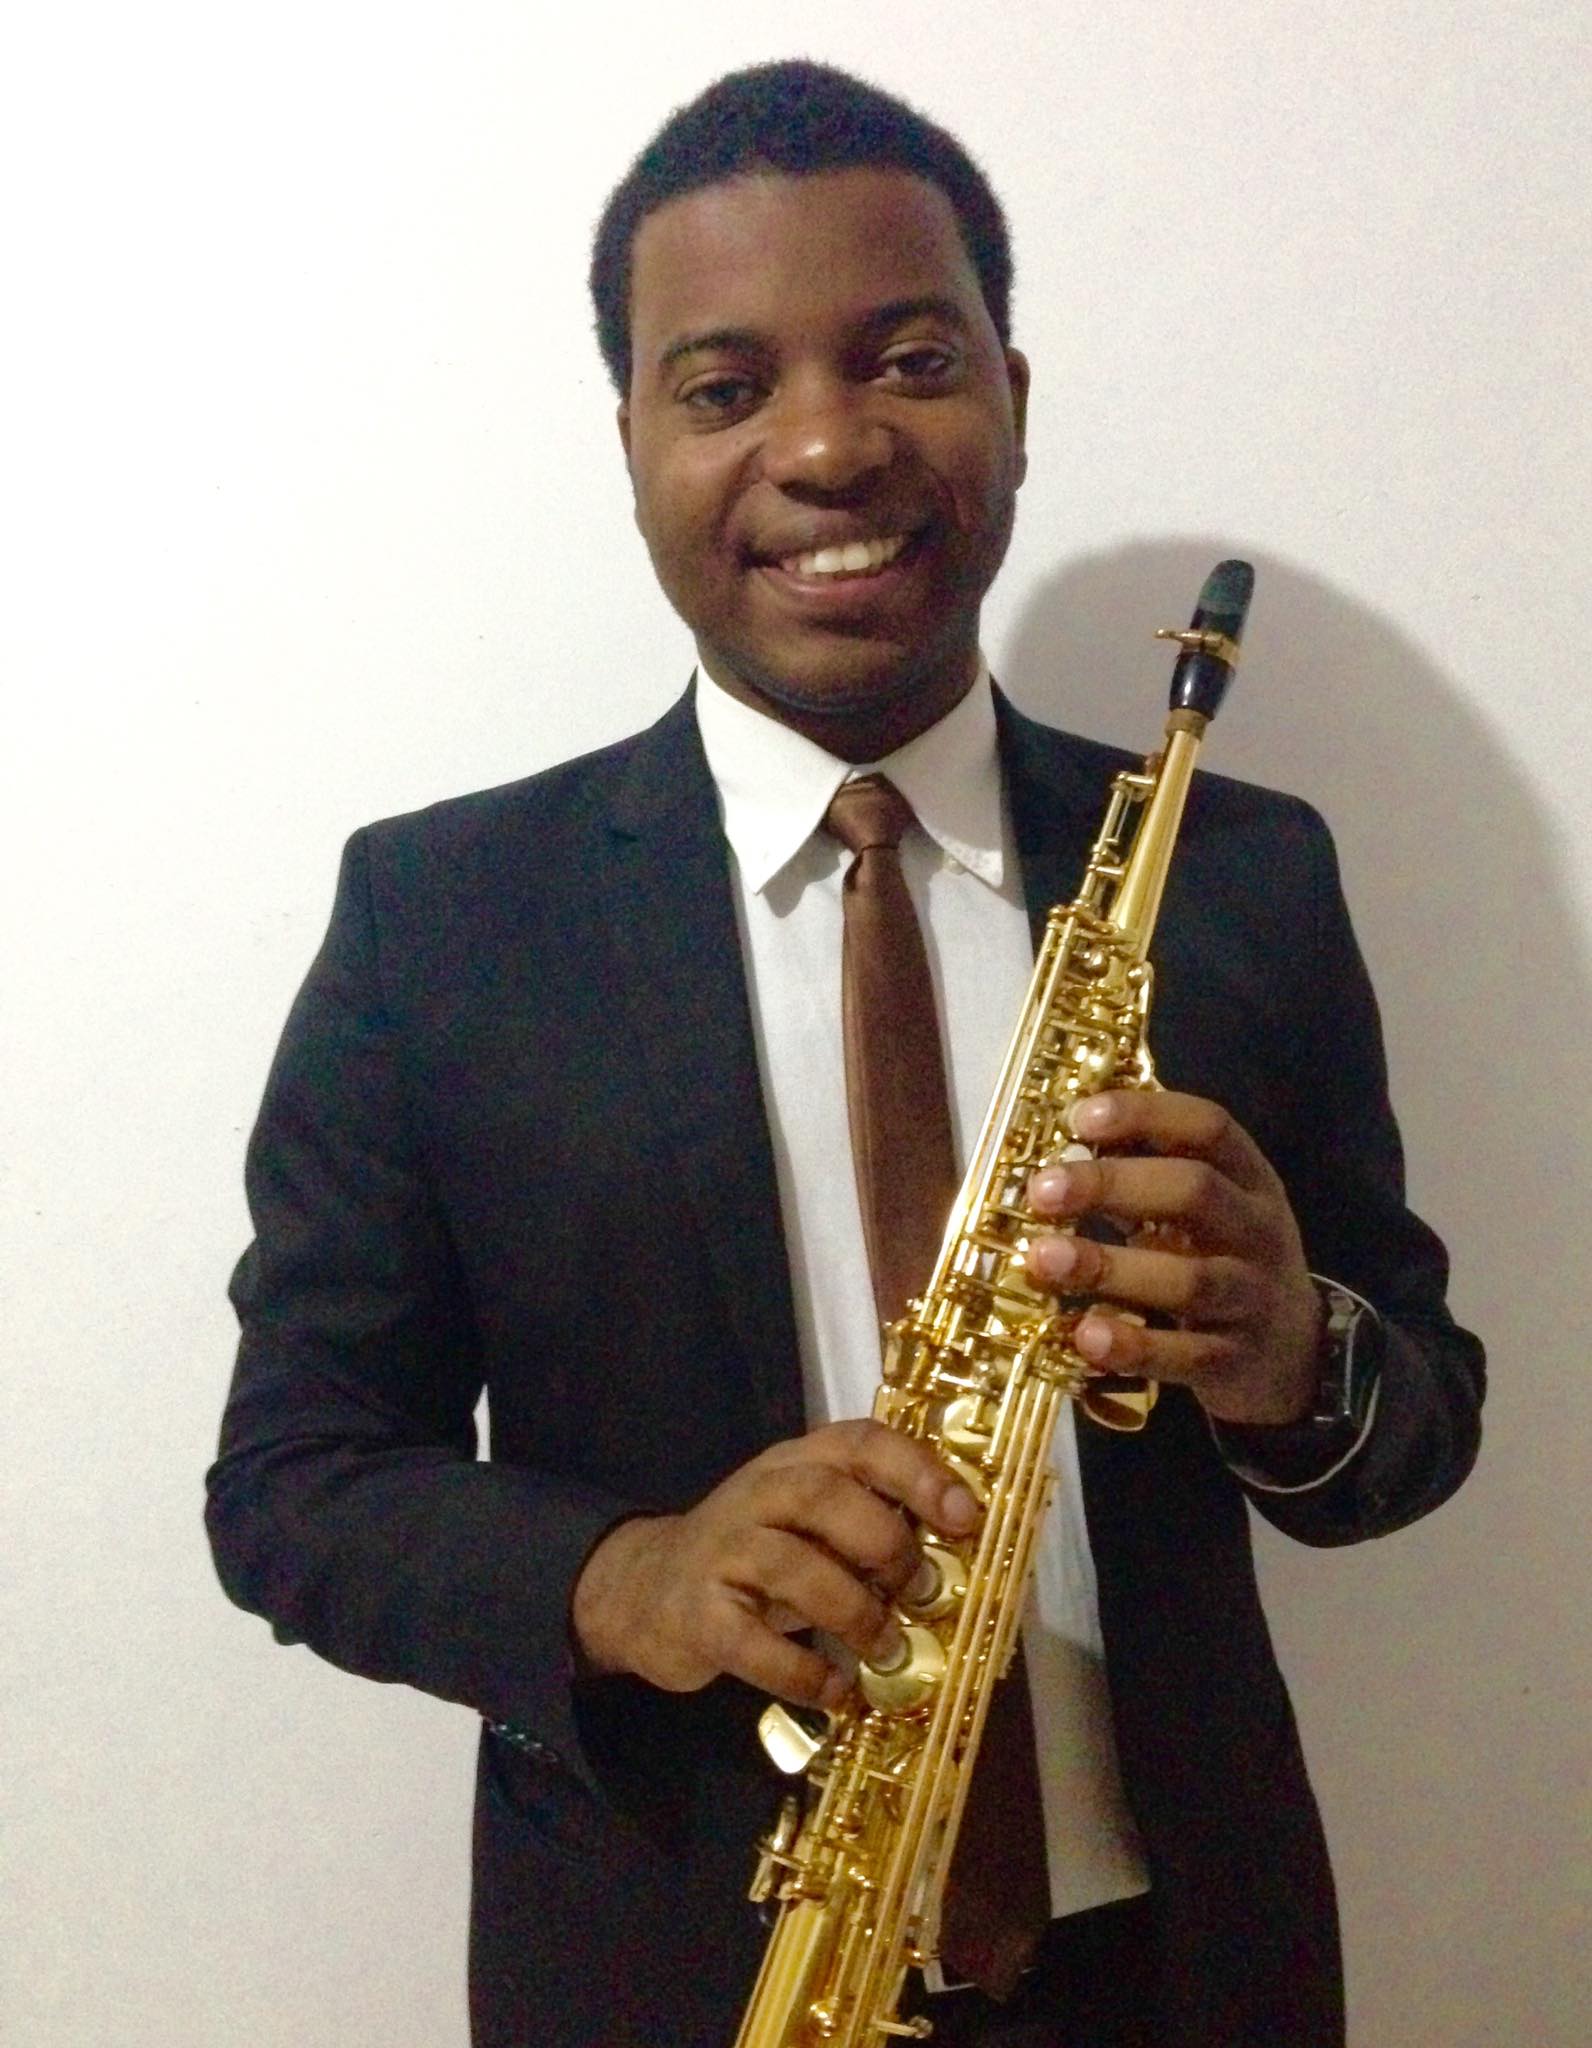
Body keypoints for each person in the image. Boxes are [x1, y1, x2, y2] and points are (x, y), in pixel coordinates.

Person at [206, 60, 1484, 2048]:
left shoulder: (1244, 874)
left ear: (1013, 401)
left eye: (909, 361)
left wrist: (1288, 1352)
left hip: (1185, 1983)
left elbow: (1414, 1423)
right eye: (724, 388)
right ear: (630, 443)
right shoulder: (438, 919)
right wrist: (627, 1576)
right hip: (675, 1980)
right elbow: (291, 1484)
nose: (827, 445)